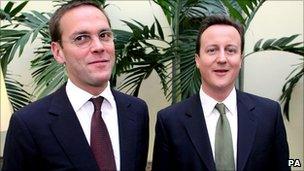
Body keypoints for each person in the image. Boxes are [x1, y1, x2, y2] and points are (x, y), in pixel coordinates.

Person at [2, 1, 149, 171]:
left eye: (104, 35)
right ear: (58, 52)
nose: (98, 47)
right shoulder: (29, 124)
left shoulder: (137, 111)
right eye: (81, 38)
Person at [152, 15, 290, 171]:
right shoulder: (170, 121)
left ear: (241, 59)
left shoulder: (269, 115)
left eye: (231, 50)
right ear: (197, 60)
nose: (222, 58)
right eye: (212, 50)